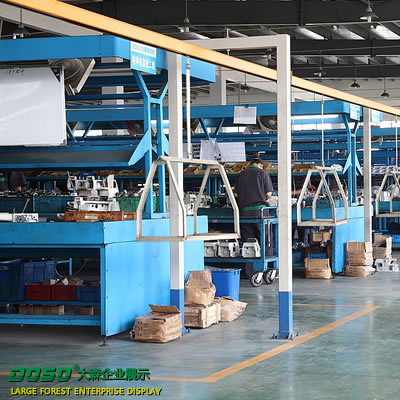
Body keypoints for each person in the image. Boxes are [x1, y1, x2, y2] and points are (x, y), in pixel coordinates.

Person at [235, 158, 274, 278]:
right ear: (261, 165)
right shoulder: (263, 173)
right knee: (266, 240)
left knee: (248, 242)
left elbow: (236, 194)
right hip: (260, 211)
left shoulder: (241, 174)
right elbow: (268, 195)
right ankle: (265, 270)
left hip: (244, 212)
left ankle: (250, 272)